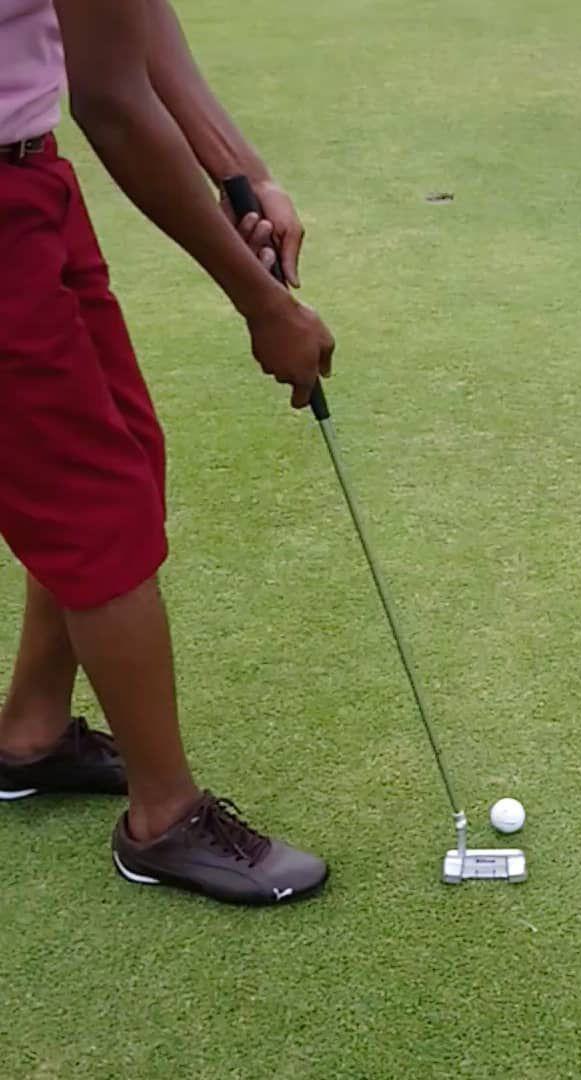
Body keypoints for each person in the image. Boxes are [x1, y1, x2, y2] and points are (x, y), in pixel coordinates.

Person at [0, 0, 336, 905]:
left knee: (121, 449)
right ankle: (165, 818)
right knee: (91, 501)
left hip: (29, 176)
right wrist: (267, 310)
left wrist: (245, 175)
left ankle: (30, 734)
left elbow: (133, 18)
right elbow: (110, 98)